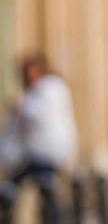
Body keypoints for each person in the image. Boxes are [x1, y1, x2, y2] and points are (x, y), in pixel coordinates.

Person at [0, 53, 77, 224]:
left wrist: (19, 106)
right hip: (30, 154)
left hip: (48, 152)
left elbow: (40, 116)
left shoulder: (52, 89)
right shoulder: (31, 95)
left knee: (47, 190)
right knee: (11, 189)